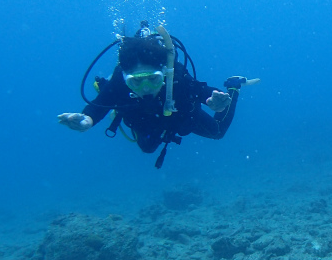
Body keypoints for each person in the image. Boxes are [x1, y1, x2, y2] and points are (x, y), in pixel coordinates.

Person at [58, 21, 257, 168]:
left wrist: (214, 100)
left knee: (218, 132)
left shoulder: (175, 76)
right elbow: (100, 104)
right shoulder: (119, 81)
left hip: (179, 115)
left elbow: (200, 89)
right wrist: (87, 120)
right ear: (126, 77)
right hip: (143, 119)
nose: (145, 88)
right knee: (147, 148)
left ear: (163, 73)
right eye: (136, 81)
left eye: (153, 79)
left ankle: (234, 87)